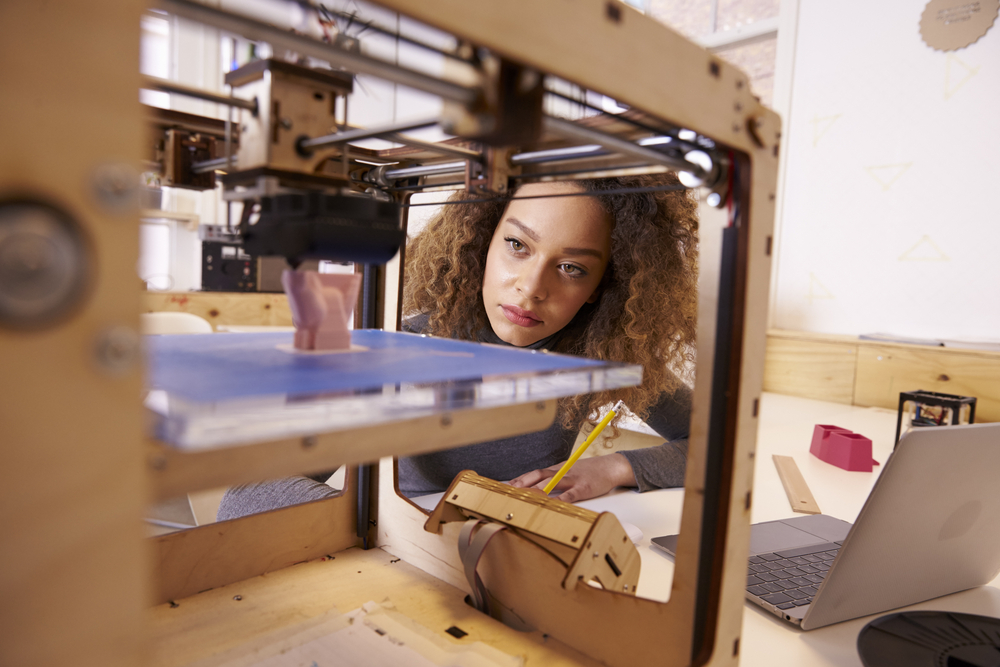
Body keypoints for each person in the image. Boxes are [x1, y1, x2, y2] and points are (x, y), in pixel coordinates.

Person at [216, 172, 697, 521]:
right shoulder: (395, 345)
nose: (530, 289)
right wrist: (396, 526)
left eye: (572, 268)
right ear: (483, 242)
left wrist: (611, 468)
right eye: (518, 245)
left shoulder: (603, 353)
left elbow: (718, 446)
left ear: (601, 286)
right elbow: (247, 494)